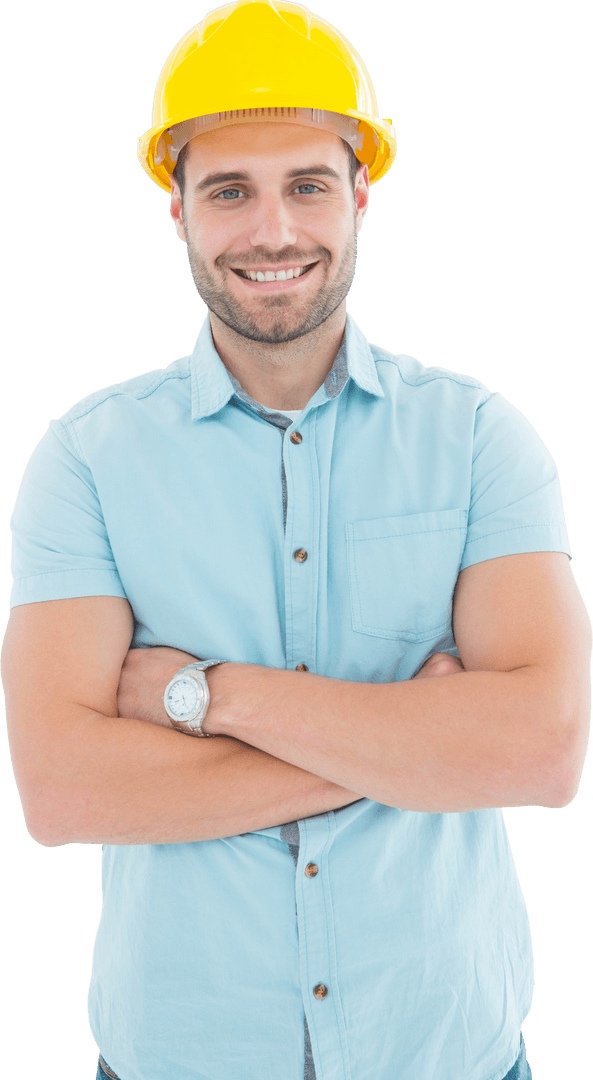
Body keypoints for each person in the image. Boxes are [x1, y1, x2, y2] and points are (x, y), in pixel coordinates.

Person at [2, 2, 590, 1079]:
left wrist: (202, 697)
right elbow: (61, 792)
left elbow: (541, 754)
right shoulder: (85, 459)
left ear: (360, 196)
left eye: (306, 185)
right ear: (175, 209)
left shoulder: (475, 440)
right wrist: (413, 744)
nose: (272, 231)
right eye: (229, 190)